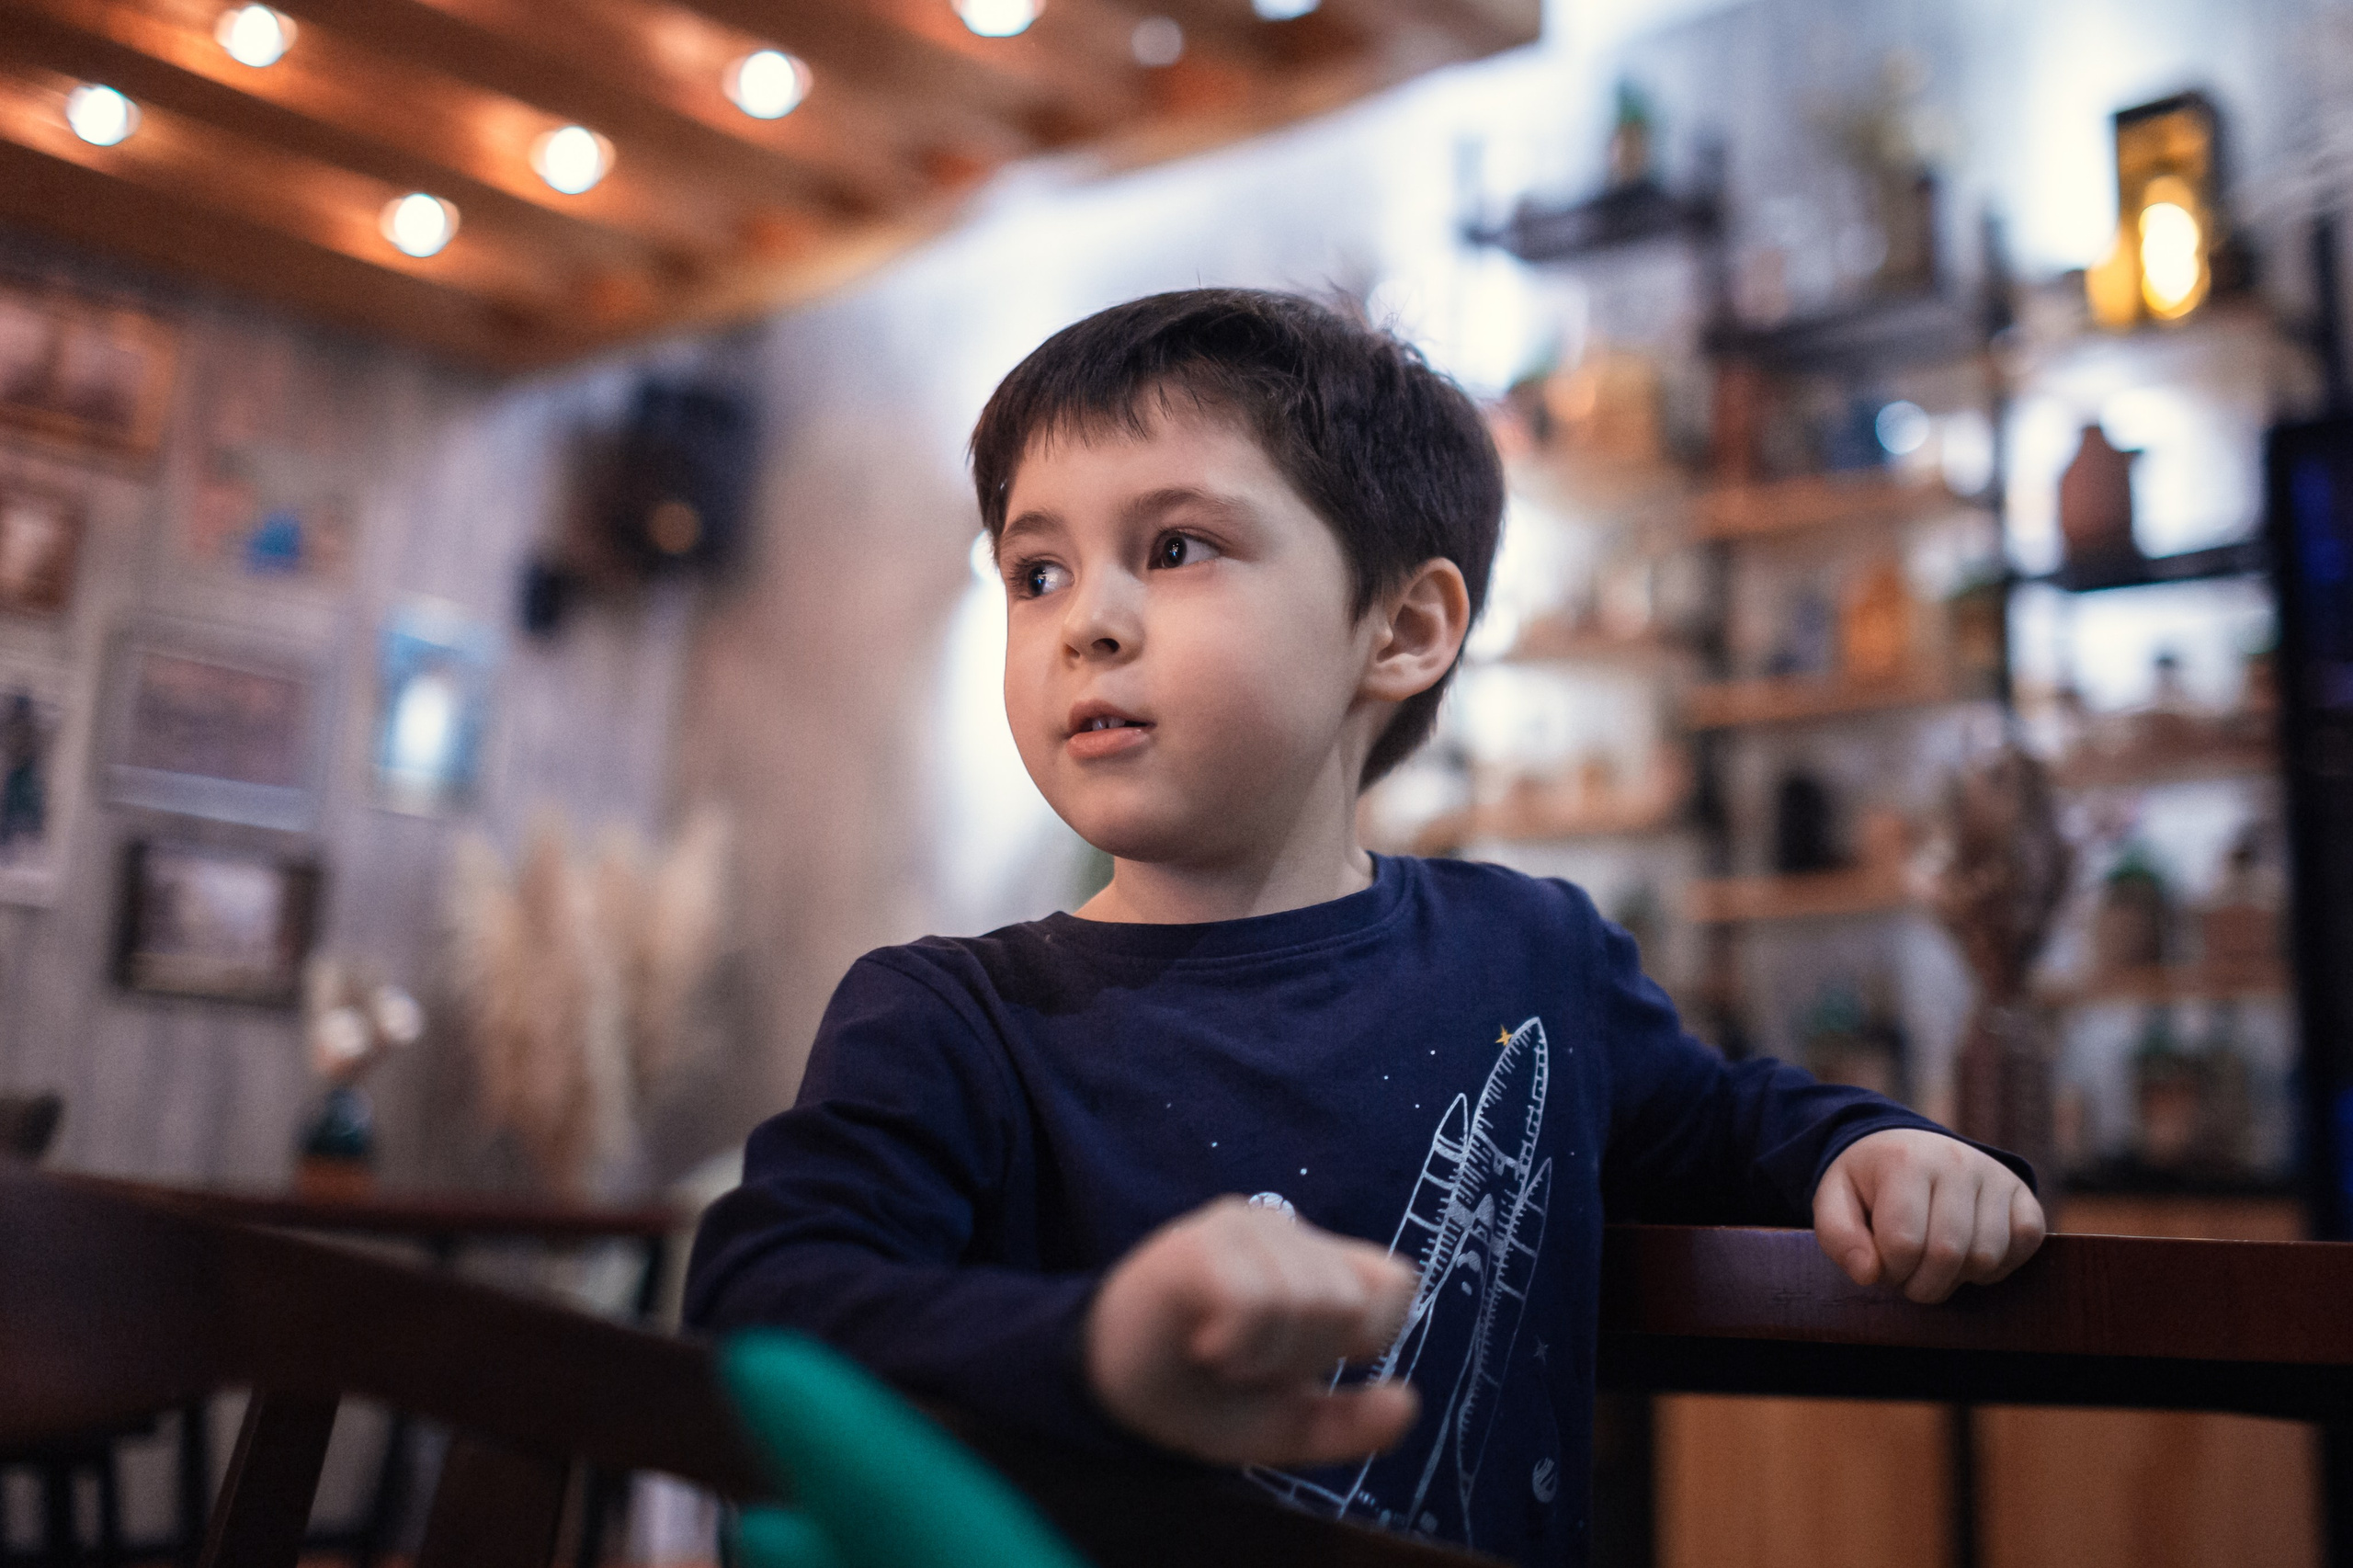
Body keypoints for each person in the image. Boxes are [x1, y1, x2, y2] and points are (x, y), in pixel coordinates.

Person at [686, 289, 2045, 1565]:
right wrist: (1095, 1344)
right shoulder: (947, 1019)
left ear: (1401, 627)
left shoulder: (1535, 958)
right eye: (1035, 571)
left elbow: (1725, 1127)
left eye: (1175, 547)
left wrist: (1877, 1145)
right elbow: (762, 1298)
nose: (1085, 622)